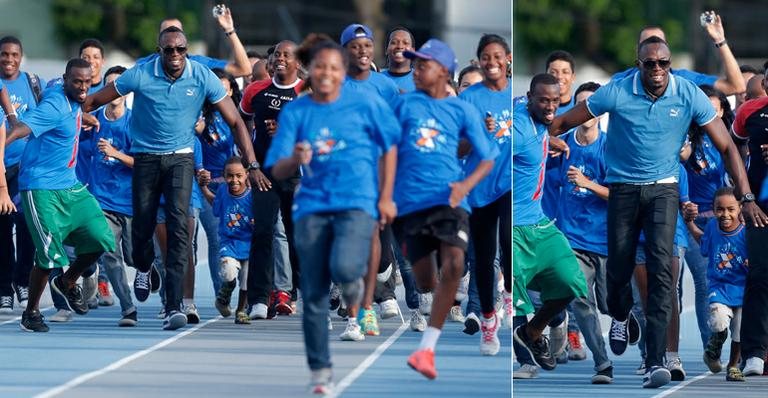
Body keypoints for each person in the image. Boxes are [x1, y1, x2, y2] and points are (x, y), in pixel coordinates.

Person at [549, 35, 761, 388]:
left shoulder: (687, 93)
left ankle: (656, 359)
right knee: (618, 270)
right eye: (651, 64)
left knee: (664, 270)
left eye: (664, 63)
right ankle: (620, 313)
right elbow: (561, 122)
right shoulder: (616, 91)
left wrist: (748, 196)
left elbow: (727, 146)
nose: (659, 70)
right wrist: (546, 138)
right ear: (639, 66)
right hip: (623, 188)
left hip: (664, 189)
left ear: (670, 65)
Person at [84, 26, 262, 331]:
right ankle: (144, 264)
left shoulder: (201, 76)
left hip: (181, 158)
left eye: (181, 50)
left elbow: (235, 121)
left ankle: (174, 305)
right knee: (142, 231)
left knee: (181, 229)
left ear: (187, 51)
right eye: (170, 50)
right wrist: (81, 114)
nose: (176, 55)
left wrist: (253, 163)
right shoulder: (140, 74)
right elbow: (94, 100)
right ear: (160, 51)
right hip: (145, 158)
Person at [264, 39, 399, 394]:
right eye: (320, 67)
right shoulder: (297, 111)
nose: (326, 73)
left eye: (333, 68)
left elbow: (390, 148)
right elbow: (277, 168)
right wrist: (295, 158)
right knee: (315, 293)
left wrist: (386, 197)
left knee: (343, 267)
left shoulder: (366, 103)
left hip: (356, 203)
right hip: (312, 207)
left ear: (343, 73)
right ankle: (320, 370)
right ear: (311, 72)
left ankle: (354, 288)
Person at [387, 38, 495, 379]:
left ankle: (426, 350)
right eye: (415, 65)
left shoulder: (461, 109)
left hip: (449, 201)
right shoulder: (404, 106)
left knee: (455, 264)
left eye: (423, 65)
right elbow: (387, 151)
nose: (416, 70)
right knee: (425, 282)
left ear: (444, 72)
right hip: (409, 205)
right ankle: (429, 294)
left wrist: (464, 185)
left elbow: (487, 156)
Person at [3, 59, 115, 332]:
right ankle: (31, 313)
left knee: (102, 237)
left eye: (88, 82)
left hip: (70, 186)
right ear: (65, 79)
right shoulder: (53, 106)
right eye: (77, 82)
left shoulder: (73, 101)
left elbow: (76, 108)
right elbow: (20, 130)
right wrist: (6, 136)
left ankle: (67, 281)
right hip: (40, 189)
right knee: (50, 255)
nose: (83, 88)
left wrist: (82, 116)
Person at [549, 81, 614, 383]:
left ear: (600, 111)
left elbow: (620, 194)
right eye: (580, 104)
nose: (585, 109)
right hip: (571, 238)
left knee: (609, 304)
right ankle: (602, 363)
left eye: (592, 103)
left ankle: (624, 319)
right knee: (580, 300)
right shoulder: (560, 145)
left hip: (606, 240)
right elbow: (545, 185)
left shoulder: (611, 147)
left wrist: (588, 184)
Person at [239, 40, 304, 319]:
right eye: (277, 54)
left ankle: (296, 291)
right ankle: (258, 299)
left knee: (297, 235)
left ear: (297, 62)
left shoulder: (307, 92)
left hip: (298, 175)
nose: (280, 59)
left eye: (287, 55)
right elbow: (240, 124)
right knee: (263, 231)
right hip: (264, 174)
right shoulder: (256, 90)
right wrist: (251, 165)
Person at [458, 33, 511, 358]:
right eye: (485, 57)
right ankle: (488, 318)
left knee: (508, 240)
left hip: (507, 184)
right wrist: (479, 134)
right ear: (479, 61)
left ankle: (509, 294)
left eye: (497, 56)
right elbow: (458, 148)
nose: (491, 62)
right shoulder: (468, 100)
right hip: (479, 188)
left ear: (508, 58)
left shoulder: (518, 101)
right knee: (482, 258)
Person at [79, 65, 138, 326]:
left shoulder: (135, 122)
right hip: (102, 200)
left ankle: (148, 270)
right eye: (109, 85)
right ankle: (128, 309)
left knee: (135, 256)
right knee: (111, 255)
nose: (114, 90)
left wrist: (116, 154)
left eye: (119, 85)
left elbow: (143, 162)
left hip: (131, 201)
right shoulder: (92, 119)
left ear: (126, 91)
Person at [0, 35, 45, 314]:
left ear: (21, 56)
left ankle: (22, 280)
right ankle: (4, 289)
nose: (8, 59)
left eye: (14, 54)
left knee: (28, 226)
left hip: (27, 168)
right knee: (3, 231)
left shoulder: (32, 83)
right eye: (4, 54)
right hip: (1, 168)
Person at [686, 187, 748, 382]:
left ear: (739, 208)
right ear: (713, 210)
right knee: (719, 320)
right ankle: (714, 348)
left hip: (743, 288)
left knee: (740, 329)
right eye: (720, 209)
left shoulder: (747, 232)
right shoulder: (712, 227)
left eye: (731, 209)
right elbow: (702, 242)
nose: (725, 214)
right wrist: (689, 224)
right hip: (719, 287)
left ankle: (733, 365)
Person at [611, 11, 745, 96]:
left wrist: (720, 40)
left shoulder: (686, 81)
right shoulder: (619, 82)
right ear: (637, 51)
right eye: (647, 44)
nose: (654, 50)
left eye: (659, 43)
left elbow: (736, 86)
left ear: (667, 50)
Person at [730, 84, 768, 375]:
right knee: (758, 275)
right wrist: (745, 196)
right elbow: (732, 148)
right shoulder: (749, 111)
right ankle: (754, 352)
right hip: (759, 208)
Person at [195, 68, 241, 298]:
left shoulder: (238, 119)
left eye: (224, 91)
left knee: (238, 237)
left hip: (235, 187)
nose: (219, 96)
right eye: (215, 92)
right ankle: (220, 292)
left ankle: (243, 289)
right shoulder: (201, 116)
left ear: (231, 91)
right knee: (215, 238)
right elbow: (192, 133)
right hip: (205, 186)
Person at [199, 156, 254, 324]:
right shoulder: (223, 190)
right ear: (223, 176)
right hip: (229, 242)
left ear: (246, 175)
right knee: (229, 271)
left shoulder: (253, 196)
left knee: (246, 279)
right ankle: (225, 295)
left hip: (249, 243)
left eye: (238, 175)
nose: (234, 180)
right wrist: (204, 188)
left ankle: (240, 310)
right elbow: (215, 203)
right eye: (229, 176)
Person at [135, 8, 252, 78]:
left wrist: (229, 30)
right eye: (167, 33)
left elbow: (244, 69)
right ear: (159, 40)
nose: (172, 39)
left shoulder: (200, 64)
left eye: (177, 33)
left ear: (185, 40)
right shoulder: (143, 66)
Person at [381, 27, 416, 93]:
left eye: (405, 43)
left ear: (413, 51)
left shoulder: (421, 80)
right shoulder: (376, 79)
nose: (400, 46)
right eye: (394, 42)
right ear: (386, 49)